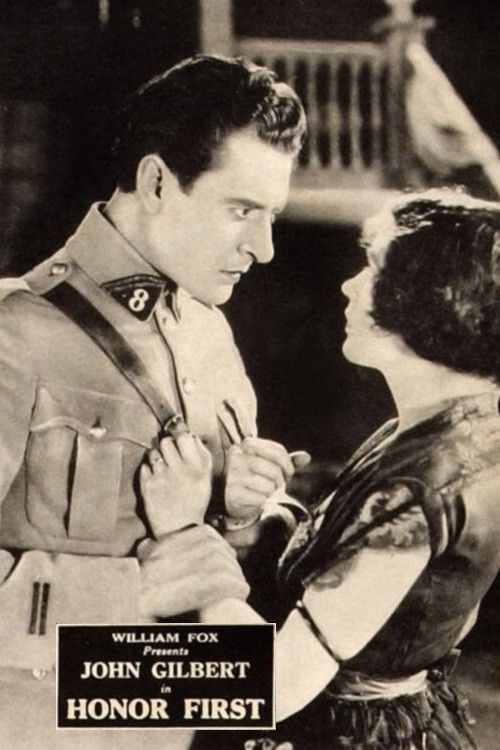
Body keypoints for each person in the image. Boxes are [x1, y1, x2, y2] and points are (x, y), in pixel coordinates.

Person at [0, 55, 306, 749]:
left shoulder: (208, 333)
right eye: (241, 210)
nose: (263, 249)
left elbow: (205, 567)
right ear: (157, 181)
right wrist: (129, 594)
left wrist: (238, 513)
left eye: (272, 217)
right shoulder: (15, 332)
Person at [142, 188, 500, 749]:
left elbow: (272, 686)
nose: (349, 286)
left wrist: (185, 532)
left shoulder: (422, 483)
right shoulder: (458, 427)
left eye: (373, 268)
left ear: (435, 298)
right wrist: (262, 509)